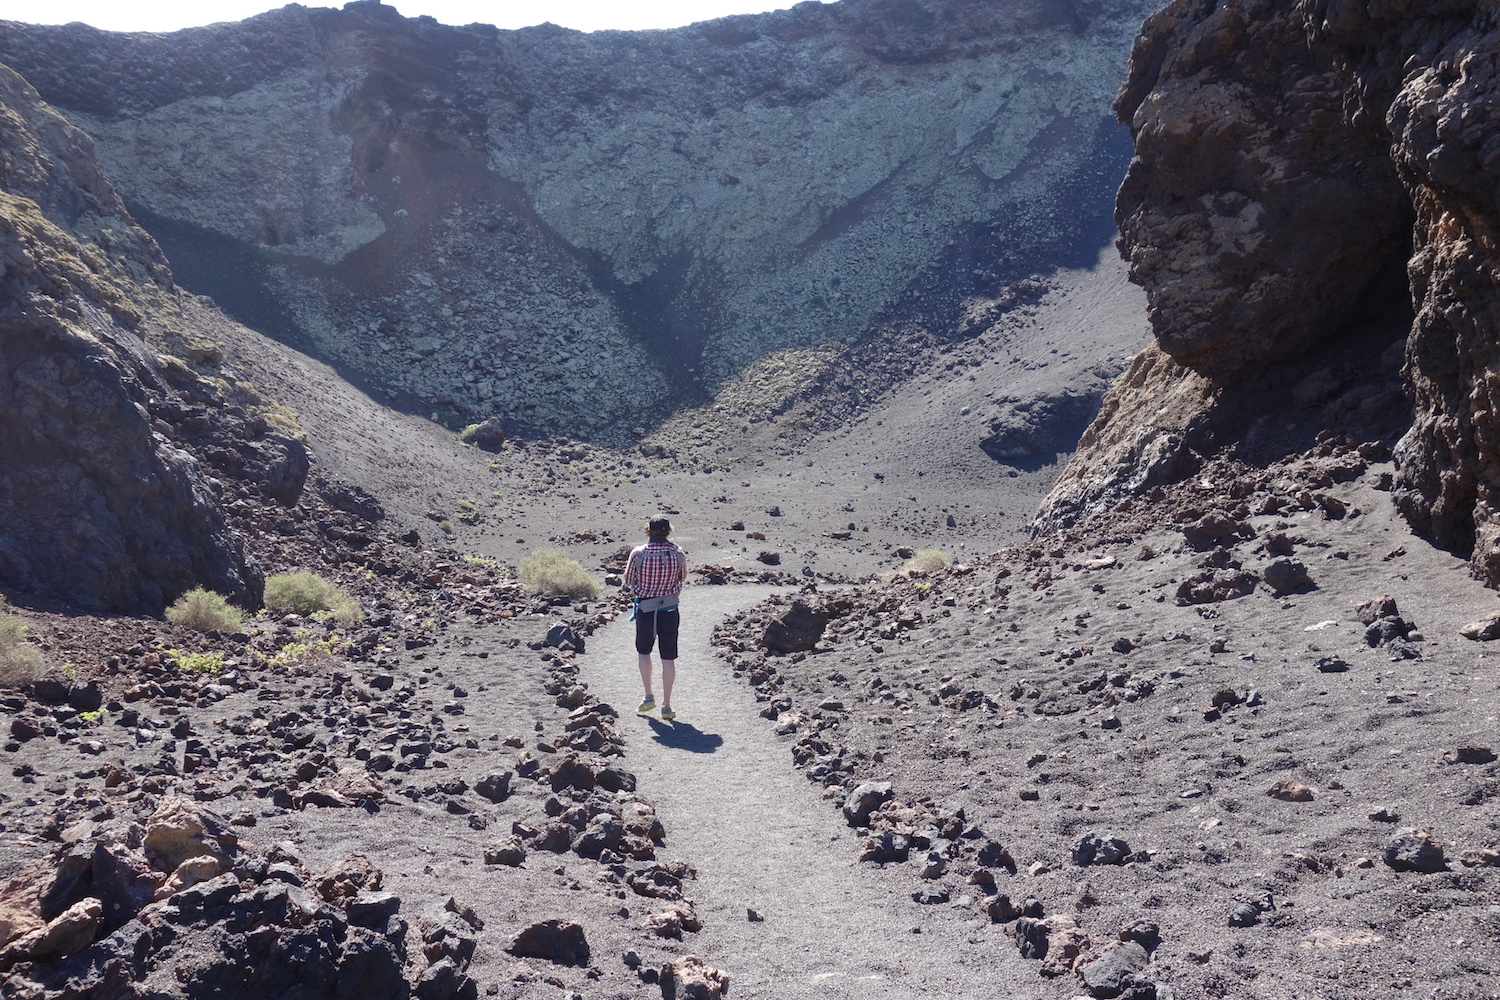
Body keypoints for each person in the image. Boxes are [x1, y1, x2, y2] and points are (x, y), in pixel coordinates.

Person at [624, 516, 686, 720]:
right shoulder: (677, 553)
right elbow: (682, 577)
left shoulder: (638, 553)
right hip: (669, 610)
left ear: (648, 530)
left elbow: (628, 580)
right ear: (668, 530)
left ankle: (648, 695)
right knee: (668, 658)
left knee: (644, 652)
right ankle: (667, 706)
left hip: (646, 610)